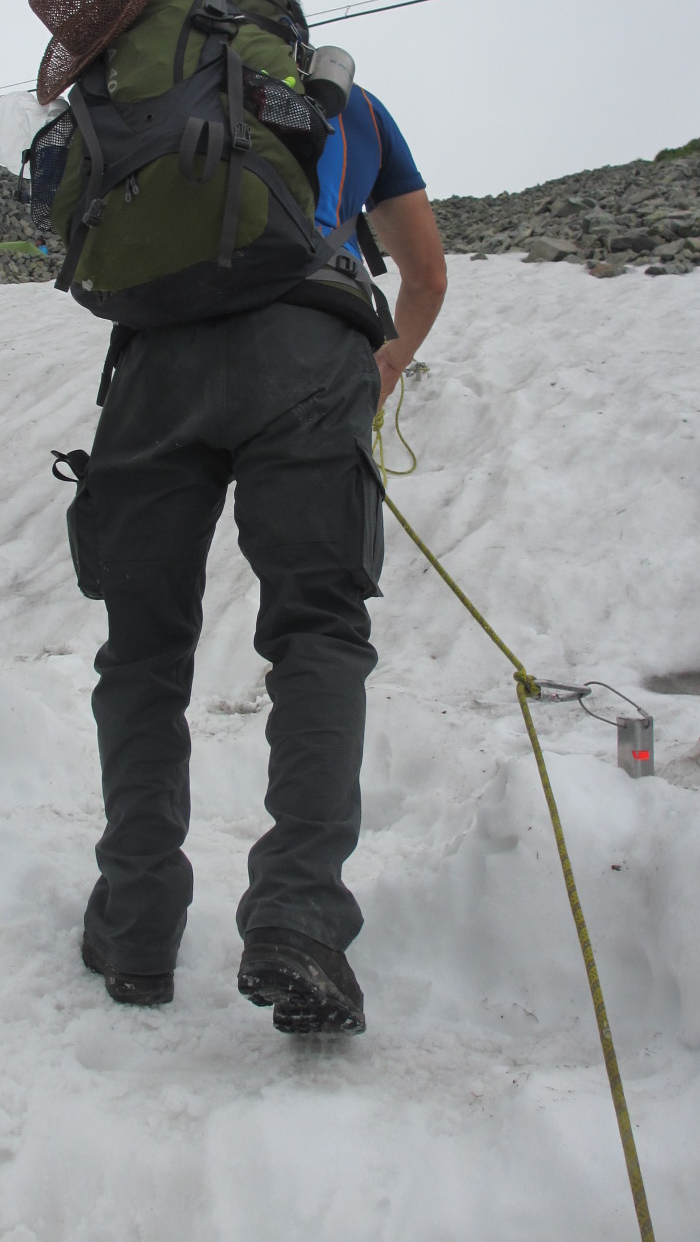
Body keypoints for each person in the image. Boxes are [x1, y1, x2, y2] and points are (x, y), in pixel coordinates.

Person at [76, 70, 447, 1032]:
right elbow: (426, 272)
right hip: (309, 348)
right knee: (317, 630)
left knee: (144, 653)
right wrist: (386, 363)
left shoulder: (152, 98)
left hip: (154, 364)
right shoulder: (353, 108)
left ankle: (138, 927)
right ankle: (298, 922)